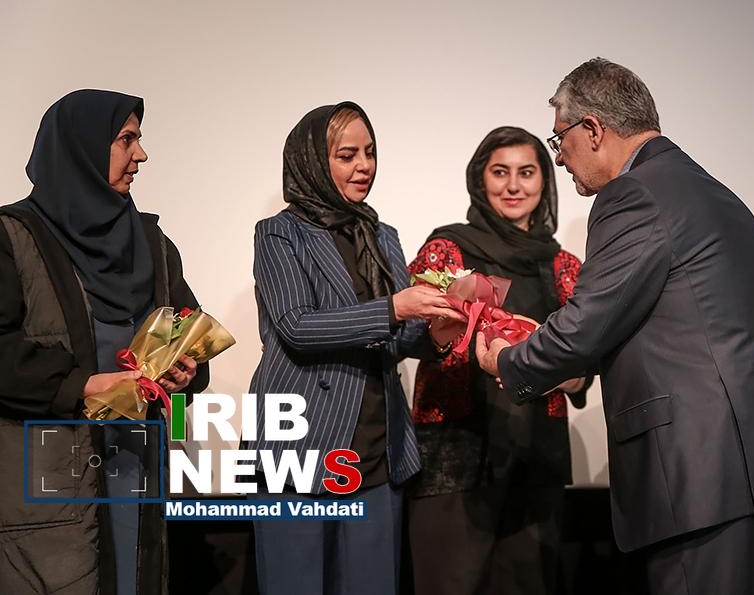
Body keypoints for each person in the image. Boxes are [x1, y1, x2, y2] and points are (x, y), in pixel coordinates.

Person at [476, 58, 754, 594]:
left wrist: (507, 360)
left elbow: (585, 325)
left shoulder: (632, 194)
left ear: (592, 129)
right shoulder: (719, 194)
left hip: (709, 482)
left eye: (559, 140)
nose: (561, 157)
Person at [247, 101, 461, 595]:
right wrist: (395, 308)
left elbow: (397, 336)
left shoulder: (382, 235)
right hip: (297, 447)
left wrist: (436, 333)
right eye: (347, 155)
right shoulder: (279, 233)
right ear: (312, 161)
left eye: (369, 153)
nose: (364, 166)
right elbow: (297, 326)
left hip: (374, 452)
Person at [0, 89, 207, 594]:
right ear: (82, 146)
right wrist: (83, 385)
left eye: (138, 139)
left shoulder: (153, 244)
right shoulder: (13, 237)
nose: (141, 154)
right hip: (51, 485)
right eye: (126, 139)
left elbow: (187, 331)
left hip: (136, 468)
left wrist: (187, 370)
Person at [406, 126, 589, 595]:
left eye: (526, 173)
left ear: (544, 181)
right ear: (479, 179)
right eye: (500, 172)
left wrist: (561, 370)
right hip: (454, 455)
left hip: (537, 457)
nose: (513, 186)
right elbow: (410, 331)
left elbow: (584, 364)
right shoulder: (447, 250)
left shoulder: (564, 265)